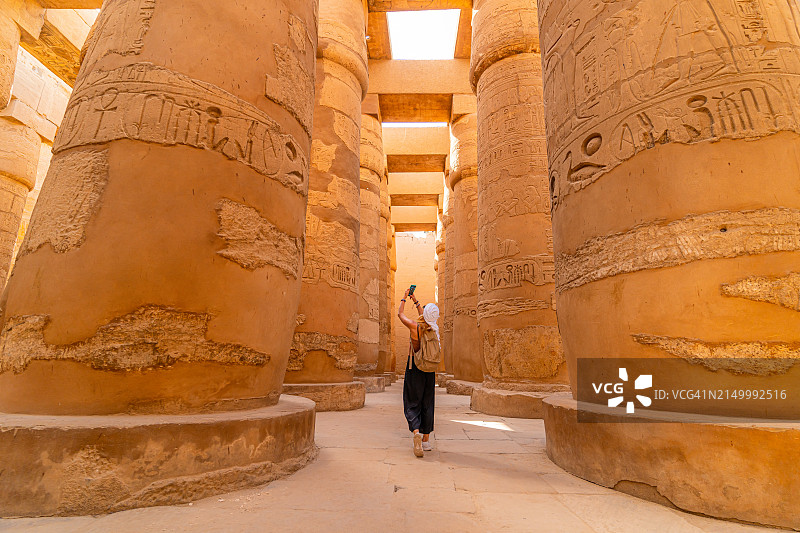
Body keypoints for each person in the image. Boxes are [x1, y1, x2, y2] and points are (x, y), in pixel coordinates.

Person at [397, 287, 440, 457]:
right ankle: (426, 441)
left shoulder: (415, 327)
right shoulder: (434, 329)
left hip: (415, 367)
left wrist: (404, 298)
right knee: (427, 402)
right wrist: (416, 301)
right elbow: (426, 317)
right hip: (429, 369)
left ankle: (416, 433)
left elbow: (401, 315)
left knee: (412, 401)